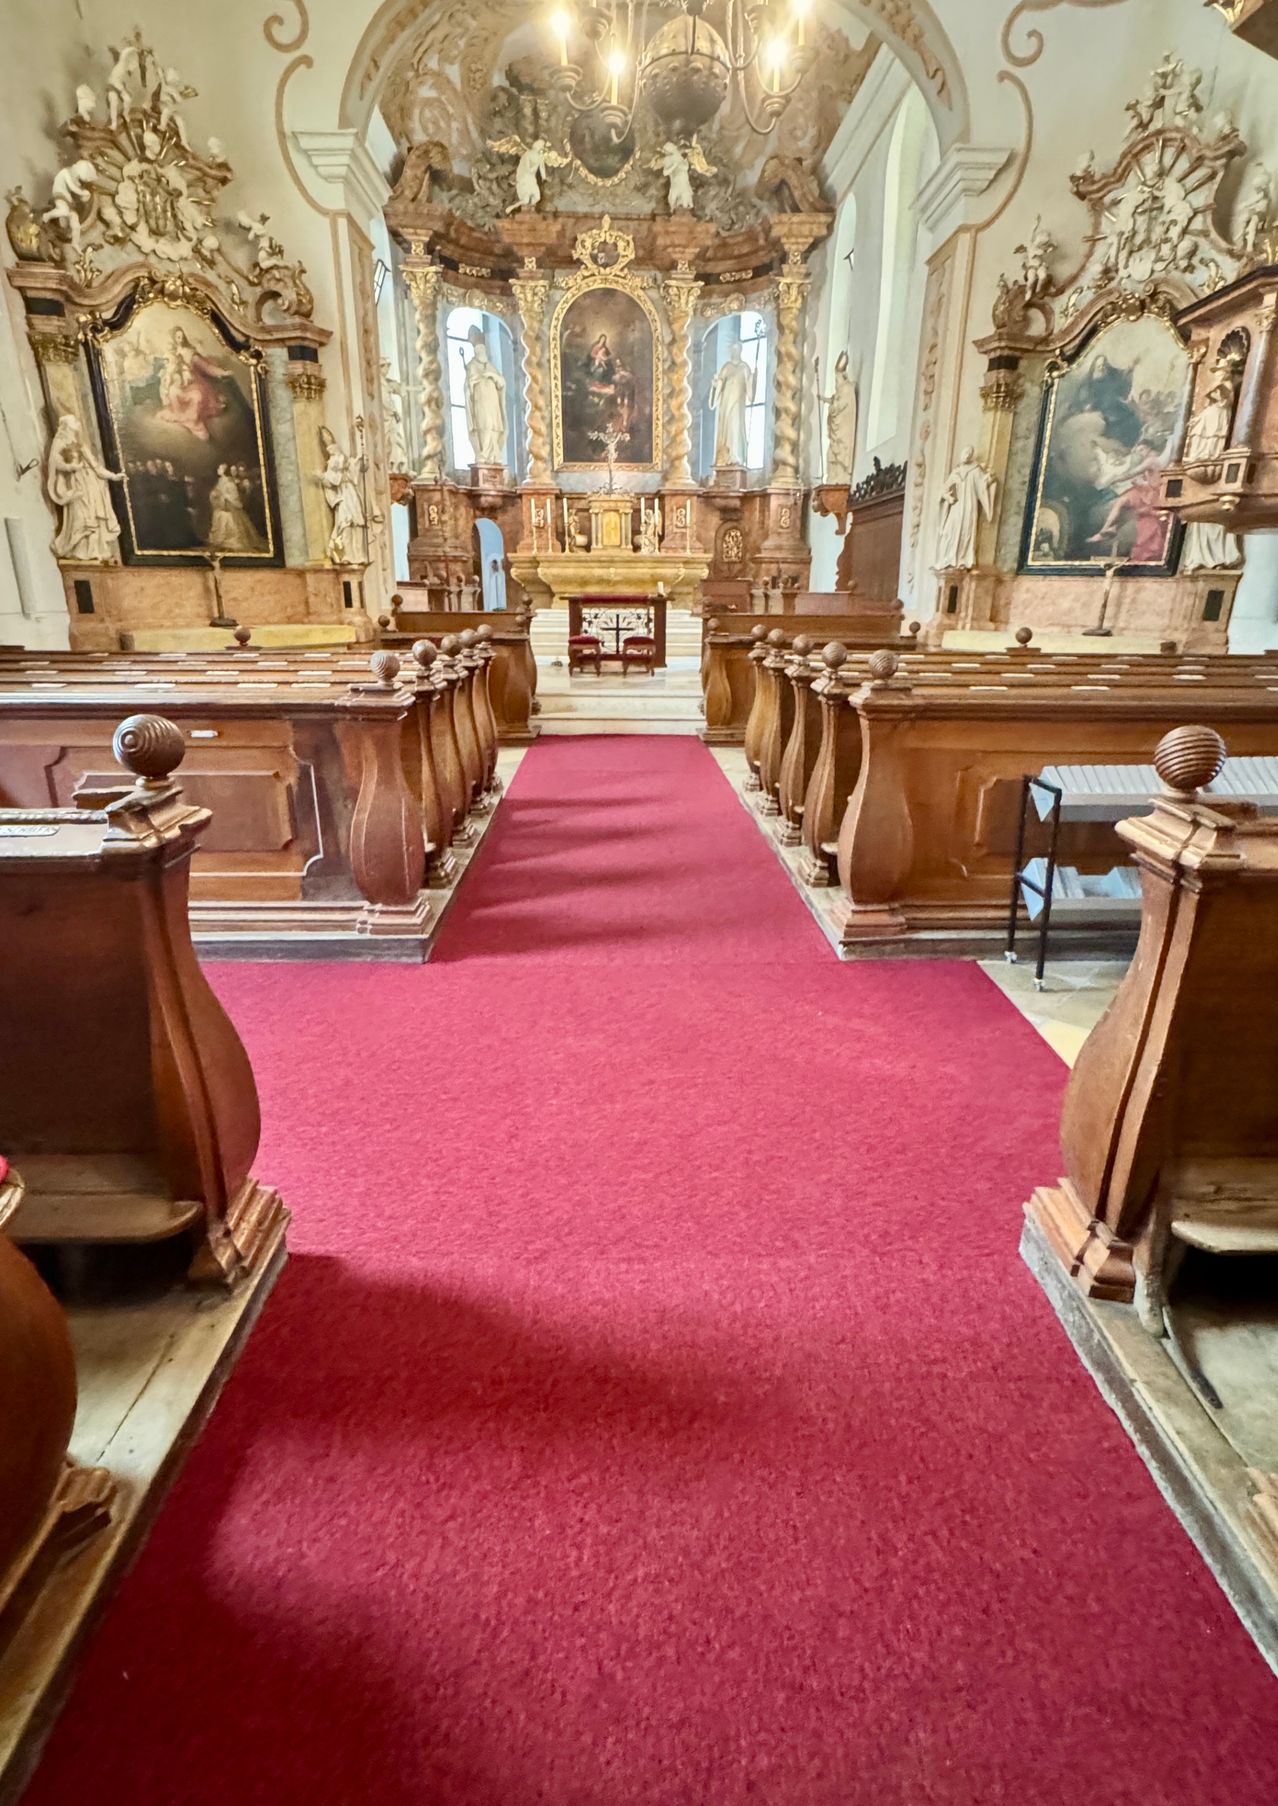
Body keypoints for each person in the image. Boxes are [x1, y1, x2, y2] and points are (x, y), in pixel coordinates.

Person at [44, 414, 123, 563]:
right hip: (76, 485)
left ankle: (92, 552)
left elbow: (96, 466)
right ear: (66, 426)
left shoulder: (80, 444)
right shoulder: (59, 442)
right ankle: (76, 549)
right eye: (75, 421)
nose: (78, 423)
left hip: (91, 485)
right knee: (80, 518)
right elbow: (55, 463)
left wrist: (113, 476)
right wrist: (71, 467)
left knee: (94, 518)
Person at [155, 327, 228, 442]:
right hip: (177, 383)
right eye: (177, 337)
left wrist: (223, 372)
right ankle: (182, 416)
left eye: (182, 337)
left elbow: (207, 367)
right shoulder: (170, 354)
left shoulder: (190, 352)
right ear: (173, 339)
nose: (180, 339)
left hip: (192, 382)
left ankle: (194, 422)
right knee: (173, 391)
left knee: (197, 394)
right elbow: (167, 371)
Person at [463, 333, 507, 466]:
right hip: (480, 402)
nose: (480, 351)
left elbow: (501, 383)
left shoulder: (491, 366)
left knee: (494, 427)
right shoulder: (471, 365)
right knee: (484, 425)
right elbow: (469, 385)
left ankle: (493, 454)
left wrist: (493, 375)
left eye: (482, 349)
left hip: (493, 403)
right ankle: (483, 453)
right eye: (478, 349)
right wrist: (474, 380)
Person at [708, 343, 755, 468]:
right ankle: (725, 455)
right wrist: (715, 386)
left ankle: (736, 455)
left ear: (740, 350)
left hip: (737, 403)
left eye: (737, 349)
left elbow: (750, 394)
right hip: (725, 403)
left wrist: (753, 379)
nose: (735, 351)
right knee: (726, 427)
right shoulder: (727, 367)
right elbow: (719, 383)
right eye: (732, 349)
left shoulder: (744, 367)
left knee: (736, 426)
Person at [206, 464, 264, 552]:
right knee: (219, 515)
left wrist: (225, 497)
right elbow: (215, 493)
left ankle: (229, 539)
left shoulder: (230, 482)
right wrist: (215, 495)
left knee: (229, 520)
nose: (218, 470)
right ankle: (219, 540)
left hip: (230, 509)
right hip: (220, 507)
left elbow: (234, 497)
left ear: (225, 470)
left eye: (220, 468)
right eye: (218, 468)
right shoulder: (220, 481)